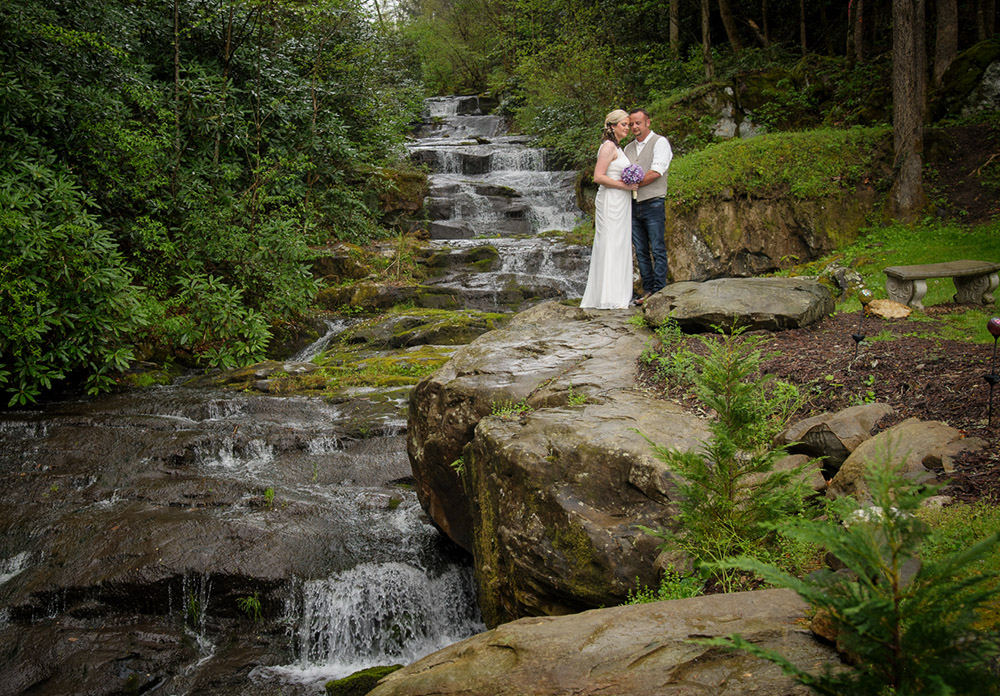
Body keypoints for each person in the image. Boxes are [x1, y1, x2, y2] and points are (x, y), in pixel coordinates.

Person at [580, 109, 639, 309]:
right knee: (610, 243)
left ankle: (616, 294)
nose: (628, 128)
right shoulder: (607, 147)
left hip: (620, 201)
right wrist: (625, 186)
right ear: (612, 126)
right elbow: (598, 177)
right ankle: (607, 297)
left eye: (629, 125)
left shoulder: (616, 147)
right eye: (624, 124)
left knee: (619, 243)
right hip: (611, 200)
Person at [624, 108, 673, 304]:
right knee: (641, 250)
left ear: (647, 123)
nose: (635, 127)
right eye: (632, 124)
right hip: (633, 205)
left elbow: (657, 171)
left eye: (638, 123)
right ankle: (648, 290)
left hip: (653, 202)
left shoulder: (660, 143)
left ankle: (660, 290)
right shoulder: (627, 149)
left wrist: (636, 183)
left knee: (658, 247)